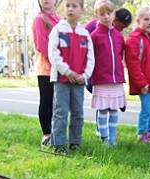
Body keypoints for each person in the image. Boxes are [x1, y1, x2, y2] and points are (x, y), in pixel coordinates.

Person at [47, 0, 94, 154]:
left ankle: (75, 143)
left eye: (74, 6)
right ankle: (58, 144)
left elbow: (90, 58)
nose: (70, 9)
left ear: (81, 9)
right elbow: (53, 54)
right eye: (68, 6)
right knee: (60, 112)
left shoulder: (85, 34)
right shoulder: (58, 30)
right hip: (62, 80)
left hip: (79, 81)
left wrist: (84, 75)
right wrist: (67, 71)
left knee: (78, 113)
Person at [125, 7, 150, 144]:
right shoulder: (134, 39)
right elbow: (133, 64)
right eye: (146, 19)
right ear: (138, 21)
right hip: (144, 83)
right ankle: (142, 133)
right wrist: (141, 83)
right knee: (147, 108)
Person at [90, 1, 126, 147]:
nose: (106, 17)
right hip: (101, 80)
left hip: (116, 80)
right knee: (103, 110)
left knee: (114, 111)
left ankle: (113, 138)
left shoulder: (119, 36)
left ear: (114, 15)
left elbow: (121, 56)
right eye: (102, 14)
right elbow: (90, 58)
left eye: (109, 13)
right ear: (97, 16)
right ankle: (104, 139)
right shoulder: (94, 36)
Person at [32, 0, 61, 147]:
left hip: (60, 68)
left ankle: (57, 134)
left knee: (58, 104)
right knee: (46, 102)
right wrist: (57, 62)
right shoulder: (39, 19)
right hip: (45, 69)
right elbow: (41, 45)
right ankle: (47, 134)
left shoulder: (60, 20)